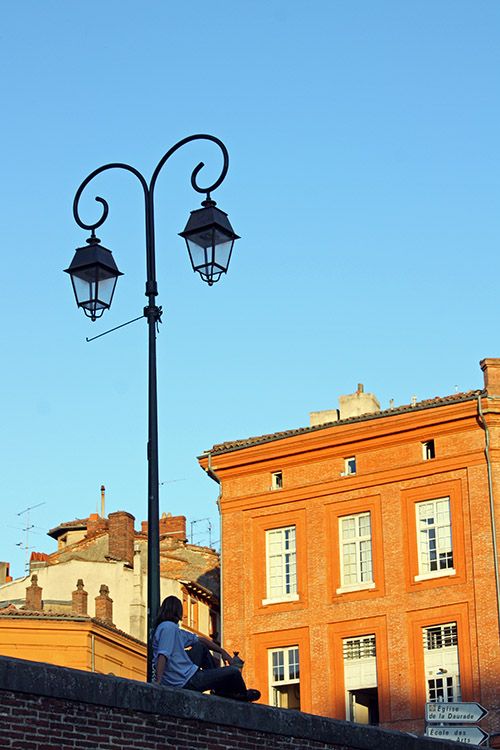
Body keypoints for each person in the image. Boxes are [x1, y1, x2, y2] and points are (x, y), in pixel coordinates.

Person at [152, 595, 260, 702]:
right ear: (178, 611)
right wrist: (158, 682)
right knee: (234, 671)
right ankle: (241, 694)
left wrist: (222, 651)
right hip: (186, 681)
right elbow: (163, 655)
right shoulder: (168, 628)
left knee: (201, 646)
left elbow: (200, 640)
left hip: (185, 675)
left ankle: (219, 688)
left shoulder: (174, 630)